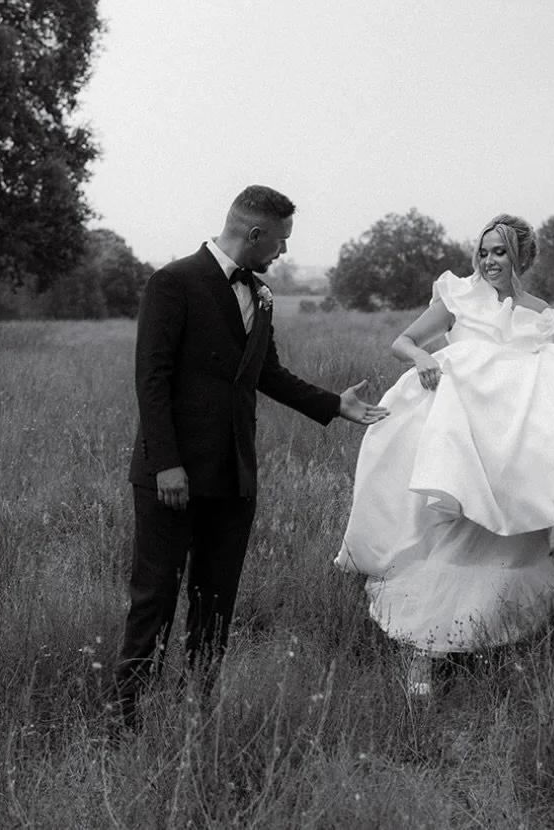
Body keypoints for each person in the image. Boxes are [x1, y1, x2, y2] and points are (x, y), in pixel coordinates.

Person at [335, 213, 554, 695]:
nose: (488, 260)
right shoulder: (458, 297)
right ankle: (425, 656)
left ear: (521, 257)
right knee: (459, 538)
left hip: (519, 446)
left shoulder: (540, 312)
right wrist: (424, 357)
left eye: (499, 251)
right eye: (483, 251)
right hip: (467, 439)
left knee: (514, 544)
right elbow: (403, 341)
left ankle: (491, 648)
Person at [113, 185, 387, 725]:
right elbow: (153, 378)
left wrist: (335, 405)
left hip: (234, 478)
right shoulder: (173, 283)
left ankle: (199, 717)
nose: (282, 253)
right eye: (280, 241)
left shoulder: (261, 296)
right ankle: (126, 722)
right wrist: (166, 463)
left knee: (216, 605)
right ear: (254, 233)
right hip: (172, 476)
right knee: (156, 603)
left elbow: (267, 374)